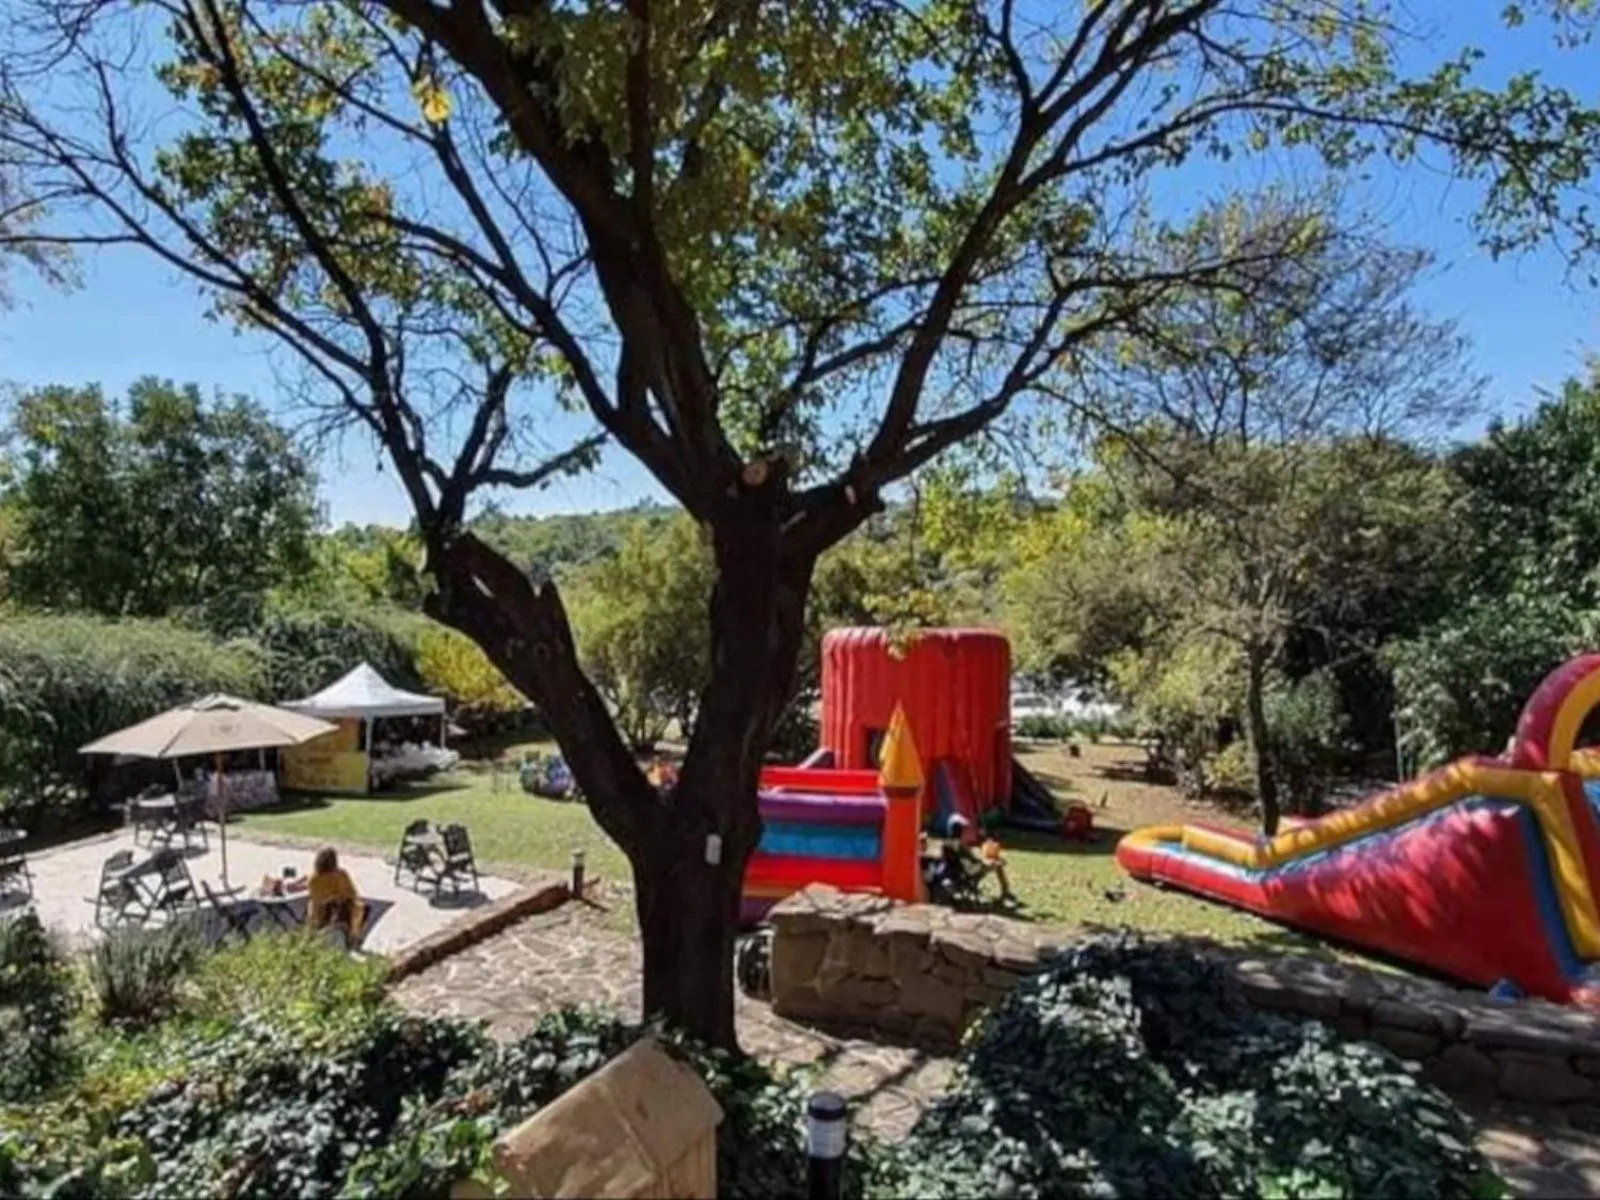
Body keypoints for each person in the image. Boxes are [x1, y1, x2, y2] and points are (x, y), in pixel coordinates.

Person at [946, 814, 1018, 907]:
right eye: (961, 829)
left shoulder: (946, 844)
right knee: (999, 865)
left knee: (995, 863)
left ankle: (1005, 892)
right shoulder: (959, 845)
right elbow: (972, 861)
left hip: (959, 873)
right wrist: (985, 862)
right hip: (970, 872)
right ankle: (1005, 891)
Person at [307, 846, 367, 941]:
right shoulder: (342, 874)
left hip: (320, 915)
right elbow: (352, 893)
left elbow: (316, 899)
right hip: (342, 912)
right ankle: (352, 937)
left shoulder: (314, 879)